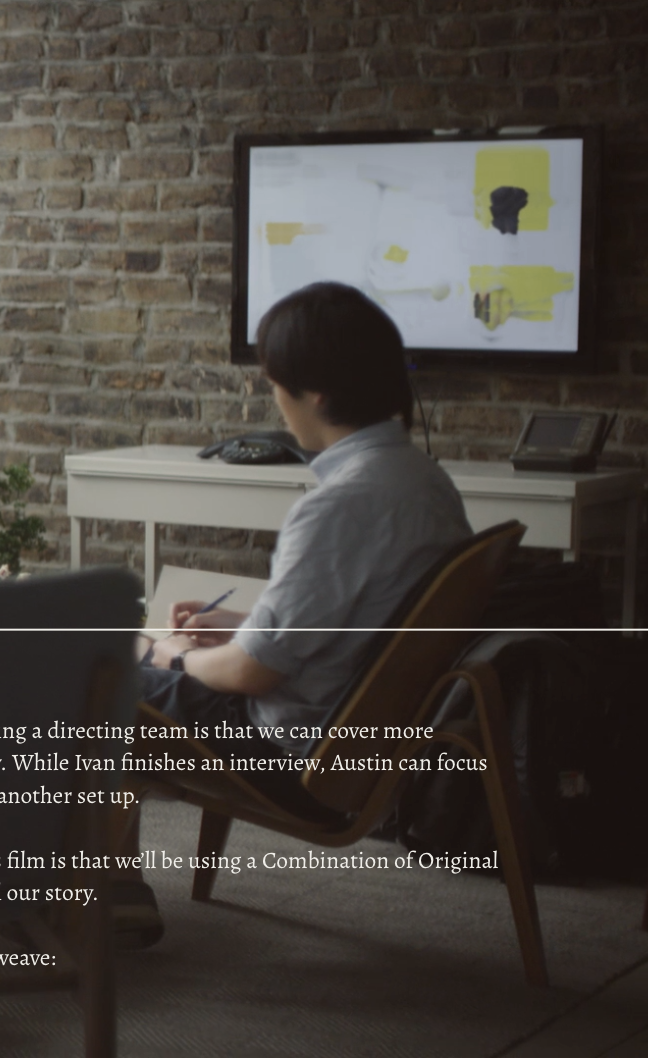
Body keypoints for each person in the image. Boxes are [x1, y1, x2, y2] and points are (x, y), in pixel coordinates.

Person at [122, 280, 473, 940]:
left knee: (95, 672)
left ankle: (103, 888)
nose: (272, 395)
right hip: (352, 738)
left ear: (316, 394)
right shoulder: (425, 482)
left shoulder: (338, 505)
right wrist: (245, 626)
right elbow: (358, 620)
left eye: (275, 380)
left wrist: (171, 655)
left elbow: (251, 674)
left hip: (289, 752)